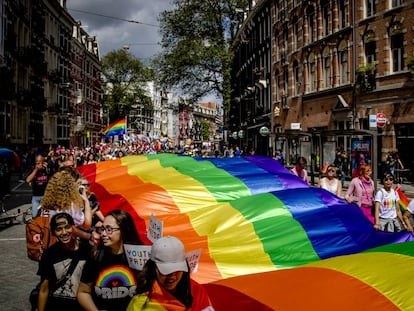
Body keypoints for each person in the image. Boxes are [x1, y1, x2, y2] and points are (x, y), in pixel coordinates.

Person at [77, 210, 142, 311]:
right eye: (103, 229)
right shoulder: (95, 257)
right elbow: (83, 292)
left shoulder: (139, 257)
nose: (103, 234)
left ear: (123, 230)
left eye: (109, 229)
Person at [127, 236, 214, 311]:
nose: (172, 275)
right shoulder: (140, 303)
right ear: (154, 268)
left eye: (177, 270)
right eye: (166, 271)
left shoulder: (197, 292)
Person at [37, 213, 92, 311]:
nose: (64, 232)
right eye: (59, 229)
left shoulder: (87, 250)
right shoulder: (49, 254)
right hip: (58, 305)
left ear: (73, 228)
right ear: (53, 232)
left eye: (67, 227)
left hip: (82, 305)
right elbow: (44, 288)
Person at [41, 170, 92, 240]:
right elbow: (87, 225)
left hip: (49, 240)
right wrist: (86, 201)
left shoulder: (47, 204)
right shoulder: (71, 205)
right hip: (65, 242)